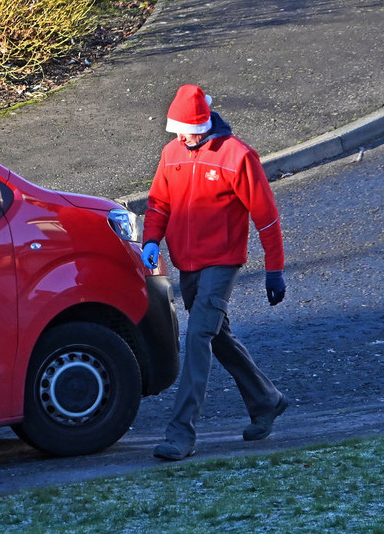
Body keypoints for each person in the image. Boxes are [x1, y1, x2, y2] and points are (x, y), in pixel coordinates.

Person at [142, 84, 288, 461]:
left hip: (223, 261)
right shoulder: (171, 152)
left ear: (202, 125)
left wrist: (275, 270)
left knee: (198, 337)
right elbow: (159, 202)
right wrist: (151, 241)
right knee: (215, 333)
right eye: (173, 129)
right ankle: (266, 400)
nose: (177, 136)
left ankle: (181, 433)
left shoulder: (238, 157)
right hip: (186, 262)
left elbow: (266, 217)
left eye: (182, 129)